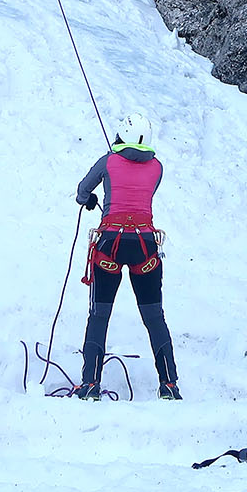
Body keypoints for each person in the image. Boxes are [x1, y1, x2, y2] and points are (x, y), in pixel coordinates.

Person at [73, 112, 180, 400]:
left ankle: (89, 385)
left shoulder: (108, 161)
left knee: (99, 316)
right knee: (154, 316)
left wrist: (93, 200)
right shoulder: (157, 167)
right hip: (145, 245)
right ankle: (169, 384)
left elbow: (82, 192)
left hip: (110, 242)